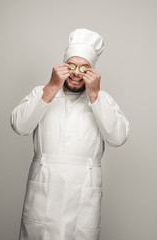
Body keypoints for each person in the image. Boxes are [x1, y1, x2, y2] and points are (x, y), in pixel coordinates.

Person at [10, 28, 130, 240]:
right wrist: (52, 86)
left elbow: (118, 138)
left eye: (84, 68)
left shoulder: (103, 100)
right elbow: (20, 126)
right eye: (71, 66)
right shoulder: (42, 92)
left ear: (92, 72)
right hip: (44, 186)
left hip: (83, 190)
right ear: (62, 66)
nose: (76, 73)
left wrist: (94, 95)